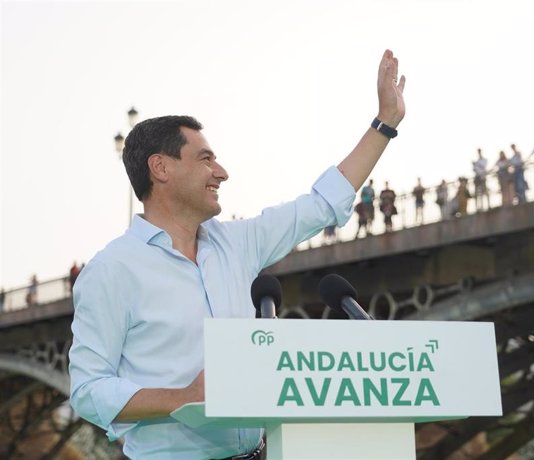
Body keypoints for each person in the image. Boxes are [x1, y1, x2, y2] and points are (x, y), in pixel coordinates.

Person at [68, 49, 406, 460]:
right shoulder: (112, 270)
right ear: (161, 168)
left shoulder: (237, 244)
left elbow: (321, 204)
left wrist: (385, 123)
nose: (222, 172)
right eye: (205, 158)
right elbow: (87, 389)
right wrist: (183, 397)